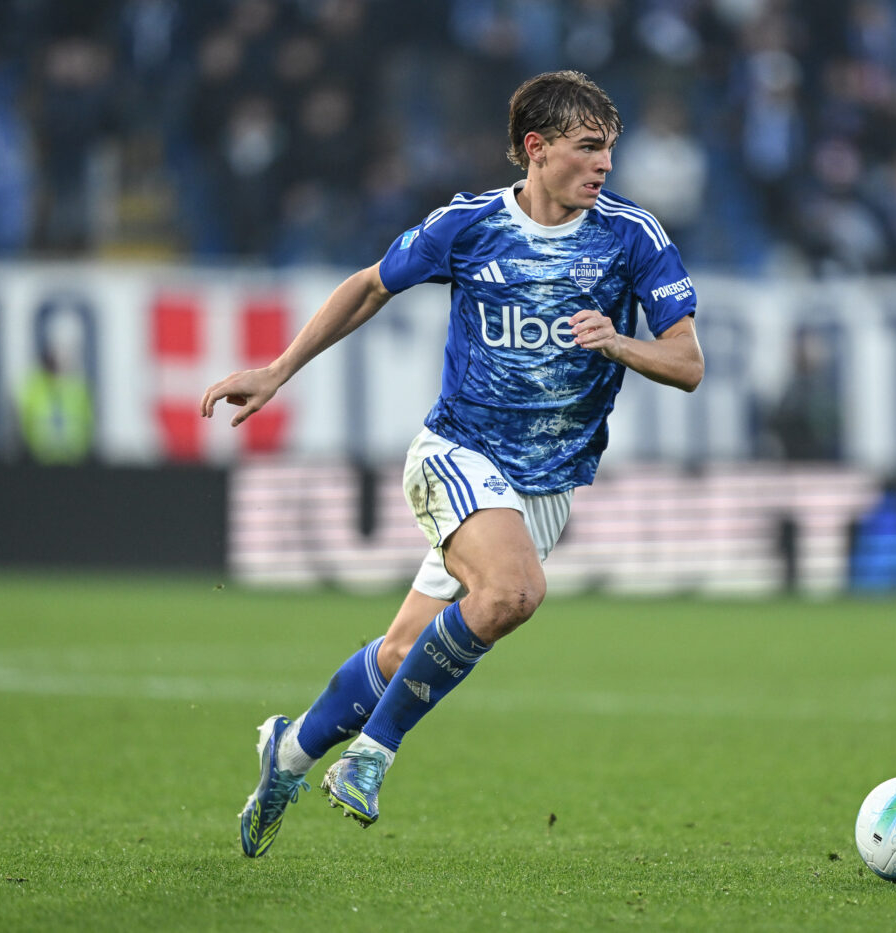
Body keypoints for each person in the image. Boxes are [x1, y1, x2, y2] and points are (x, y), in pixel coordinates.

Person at [200, 70, 704, 858]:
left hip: (546, 484)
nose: (605, 164)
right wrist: (277, 369)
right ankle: (371, 755)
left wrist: (619, 342)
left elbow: (687, 362)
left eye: (610, 148)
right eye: (588, 147)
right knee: (513, 591)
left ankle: (289, 752)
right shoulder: (469, 225)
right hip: (457, 453)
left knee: (405, 651)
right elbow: (370, 286)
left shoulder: (632, 235)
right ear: (537, 148)